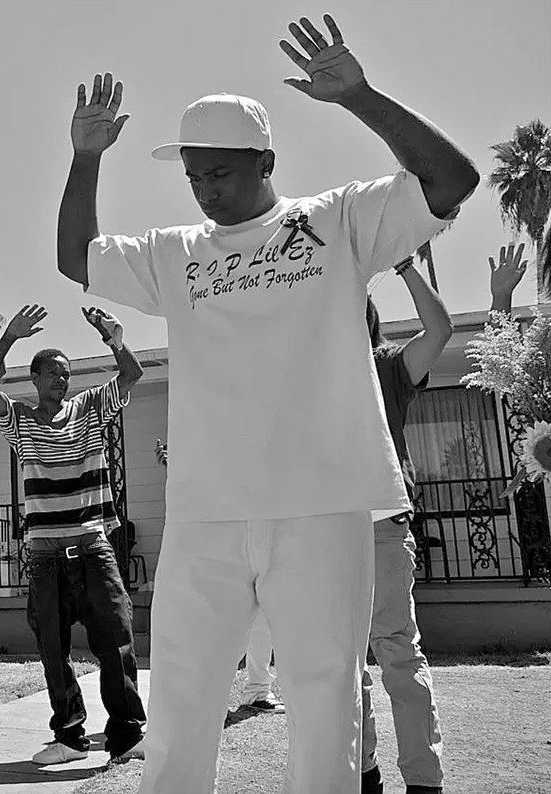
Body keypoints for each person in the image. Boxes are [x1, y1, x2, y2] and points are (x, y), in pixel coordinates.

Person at [55, 12, 478, 791]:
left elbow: (452, 181)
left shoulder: (335, 220)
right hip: (206, 510)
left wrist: (363, 98)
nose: (207, 189)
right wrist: (85, 160)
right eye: (195, 177)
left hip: (324, 502)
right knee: (180, 698)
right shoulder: (178, 253)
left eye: (221, 172)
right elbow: (76, 256)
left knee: (325, 699)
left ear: (267, 161)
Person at [0, 303, 146, 765]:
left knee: (116, 641)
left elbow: (132, 375)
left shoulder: (90, 407)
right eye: (52, 373)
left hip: (93, 546)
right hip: (46, 555)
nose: (61, 380)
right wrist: (6, 335)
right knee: (54, 650)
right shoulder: (20, 420)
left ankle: (127, 735)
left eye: (66, 373)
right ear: (34, 378)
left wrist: (113, 338)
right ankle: (69, 738)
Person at [360, 255, 455, 794]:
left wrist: (405, 267)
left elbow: (440, 329)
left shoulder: (388, 367)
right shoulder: (306, 375)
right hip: (325, 532)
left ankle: (423, 781)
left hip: (381, 530)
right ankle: (364, 773)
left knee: (396, 651)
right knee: (342, 663)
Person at [155, 441, 284, 715]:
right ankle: (209, 696)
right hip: (223, 533)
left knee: (263, 621)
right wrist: (176, 466)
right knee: (224, 627)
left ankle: (259, 690)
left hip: (264, 521)